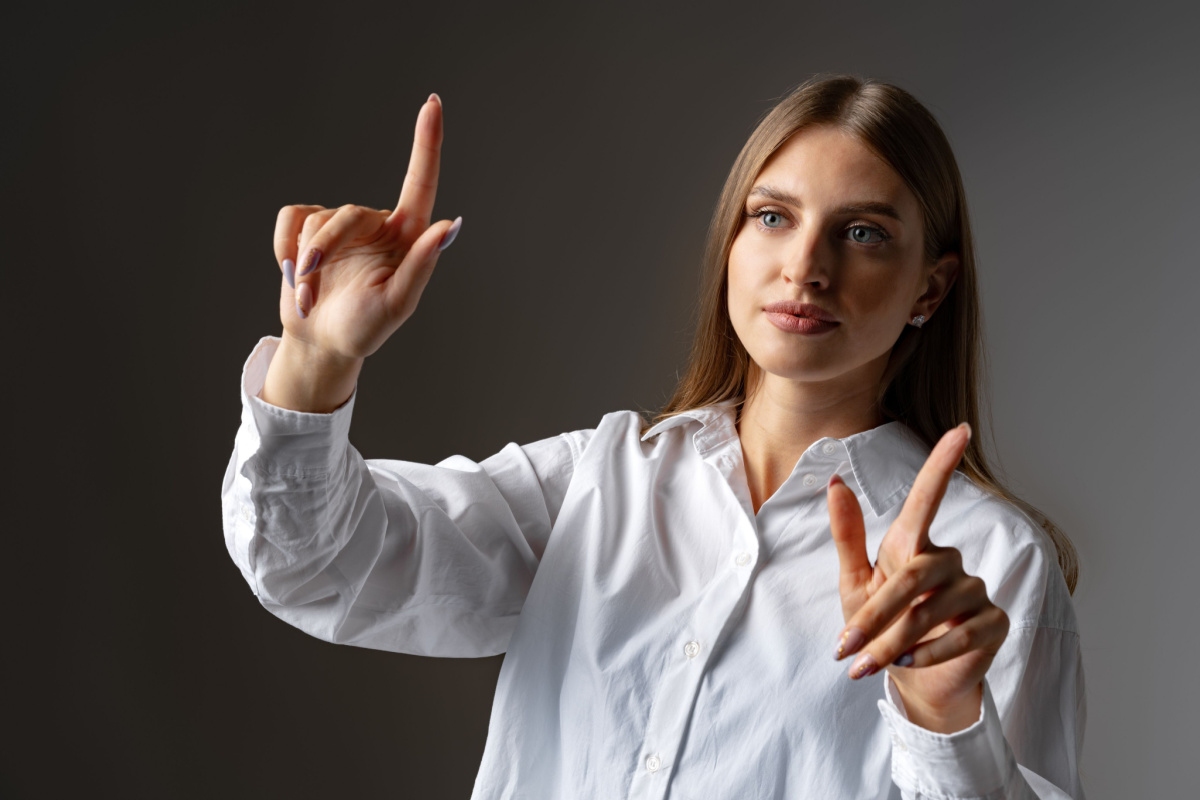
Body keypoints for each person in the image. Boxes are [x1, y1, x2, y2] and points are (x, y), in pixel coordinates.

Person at [221, 74, 1085, 798]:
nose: (807, 267)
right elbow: (318, 566)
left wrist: (944, 719)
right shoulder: (597, 483)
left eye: (863, 233)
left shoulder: (989, 562)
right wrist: (319, 357)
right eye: (774, 216)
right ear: (732, 241)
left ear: (930, 289)